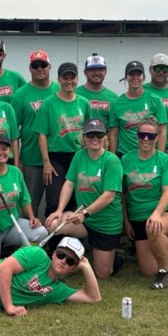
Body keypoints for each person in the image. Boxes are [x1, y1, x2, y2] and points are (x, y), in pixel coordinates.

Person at [46, 118, 124, 279]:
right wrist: (60, 210)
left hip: (106, 224)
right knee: (54, 223)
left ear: (104, 137)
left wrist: (84, 214)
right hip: (85, 221)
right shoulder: (79, 155)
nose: (94, 138)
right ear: (84, 138)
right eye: (90, 135)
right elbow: (69, 183)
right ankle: (65, 259)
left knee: (102, 274)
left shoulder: (112, 161)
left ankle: (117, 257)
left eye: (98, 134)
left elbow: (108, 196)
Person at [121, 118, 168, 290]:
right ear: (137, 136)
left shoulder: (165, 160)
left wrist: (156, 213)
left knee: (154, 227)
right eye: (142, 135)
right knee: (148, 270)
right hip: (138, 217)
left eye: (150, 135)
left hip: (165, 213)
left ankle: (165, 273)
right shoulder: (126, 159)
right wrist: (126, 221)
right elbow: (123, 194)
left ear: (157, 137)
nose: (146, 139)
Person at [37, 62, 91, 219]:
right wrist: (46, 163)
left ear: (77, 79)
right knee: (54, 201)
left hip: (78, 156)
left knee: (76, 201)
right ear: (59, 79)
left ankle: (73, 241)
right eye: (65, 78)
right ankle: (54, 241)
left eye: (72, 77)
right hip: (56, 158)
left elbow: (90, 133)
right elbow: (41, 135)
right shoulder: (48, 103)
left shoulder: (84, 103)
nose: (69, 81)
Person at [11, 50, 58, 217]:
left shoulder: (59, 89)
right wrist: (17, 162)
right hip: (31, 159)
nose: (39, 68)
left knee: (56, 205)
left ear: (49, 67)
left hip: (57, 159)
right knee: (29, 207)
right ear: (30, 69)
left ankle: (56, 242)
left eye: (43, 65)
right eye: (35, 65)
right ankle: (27, 241)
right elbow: (13, 133)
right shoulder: (21, 94)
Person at [108, 61, 167, 158]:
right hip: (125, 155)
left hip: (149, 155)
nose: (135, 77)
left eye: (138, 74)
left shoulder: (155, 100)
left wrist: (159, 157)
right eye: (131, 74)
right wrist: (113, 158)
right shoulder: (116, 103)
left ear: (143, 78)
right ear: (126, 77)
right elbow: (113, 135)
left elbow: (162, 132)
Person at [76, 53, 117, 127]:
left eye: (100, 69)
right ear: (85, 73)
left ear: (105, 72)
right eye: (93, 69)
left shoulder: (113, 98)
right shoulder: (75, 94)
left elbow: (113, 129)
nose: (97, 73)